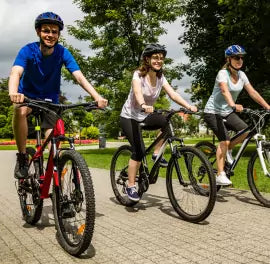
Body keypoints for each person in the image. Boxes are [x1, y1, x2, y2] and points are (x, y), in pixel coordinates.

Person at [8, 12, 108, 179]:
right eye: (46, 31)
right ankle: (23, 157)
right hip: (28, 97)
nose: (50, 35)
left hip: (50, 100)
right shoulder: (28, 50)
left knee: (54, 145)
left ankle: (54, 173)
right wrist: (13, 92)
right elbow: (15, 72)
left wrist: (97, 96)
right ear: (38, 32)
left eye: (54, 32)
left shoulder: (62, 53)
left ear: (58, 35)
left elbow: (79, 76)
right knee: (19, 111)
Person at [120, 43, 197, 201]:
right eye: (155, 57)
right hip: (129, 116)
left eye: (161, 58)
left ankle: (156, 153)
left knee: (164, 122)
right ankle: (130, 185)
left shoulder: (161, 77)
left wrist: (188, 106)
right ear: (147, 59)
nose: (159, 61)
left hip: (145, 114)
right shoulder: (138, 75)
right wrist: (142, 105)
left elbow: (173, 94)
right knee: (139, 151)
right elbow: (137, 91)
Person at [204, 45, 270, 185]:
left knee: (245, 131)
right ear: (229, 59)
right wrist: (233, 105)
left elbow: (252, 92)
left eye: (241, 57)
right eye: (236, 57)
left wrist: (267, 106)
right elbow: (224, 90)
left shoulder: (241, 75)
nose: (240, 60)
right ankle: (220, 174)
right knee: (224, 141)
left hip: (227, 112)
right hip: (212, 112)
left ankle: (228, 150)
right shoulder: (223, 73)